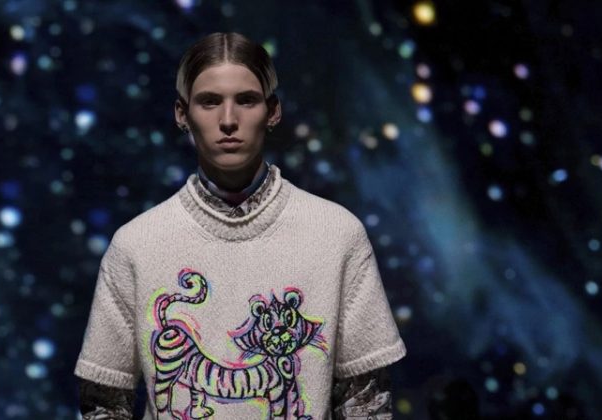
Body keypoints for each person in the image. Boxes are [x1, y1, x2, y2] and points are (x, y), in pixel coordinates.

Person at [75, 32, 406, 419]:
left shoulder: (336, 235)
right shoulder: (137, 245)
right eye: (209, 101)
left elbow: (367, 403)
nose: (228, 120)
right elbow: (103, 402)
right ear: (182, 113)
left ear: (273, 111)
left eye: (246, 100)